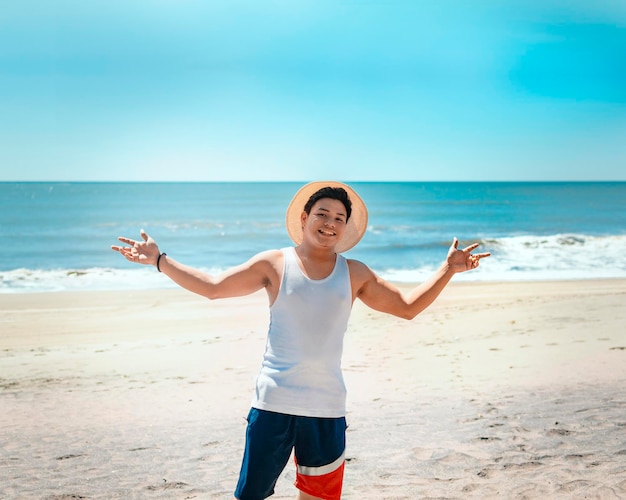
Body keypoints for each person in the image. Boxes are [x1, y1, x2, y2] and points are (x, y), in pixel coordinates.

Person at [111, 181, 490, 500]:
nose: (330, 223)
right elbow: (213, 288)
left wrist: (448, 269)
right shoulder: (274, 264)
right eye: (323, 214)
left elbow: (407, 307)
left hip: (326, 409)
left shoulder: (354, 273)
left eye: (339, 219)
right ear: (305, 218)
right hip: (274, 404)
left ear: (345, 229)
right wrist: (160, 260)